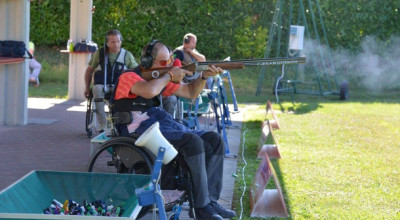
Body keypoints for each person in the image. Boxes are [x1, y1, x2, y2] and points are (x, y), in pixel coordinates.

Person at [112, 40, 236, 220]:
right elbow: (149, 91)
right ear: (146, 62)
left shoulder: (159, 77)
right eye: (163, 63)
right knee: (192, 142)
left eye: (170, 61)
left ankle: (210, 203)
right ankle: (201, 208)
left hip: (160, 125)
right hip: (139, 133)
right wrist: (170, 75)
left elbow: (191, 93)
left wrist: (203, 77)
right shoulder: (129, 77)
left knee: (214, 139)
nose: (169, 65)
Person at [84, 29, 138, 132]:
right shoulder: (99, 53)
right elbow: (89, 70)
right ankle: (103, 125)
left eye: (118, 41)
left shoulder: (127, 55)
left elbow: (136, 72)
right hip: (102, 85)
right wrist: (87, 88)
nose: (116, 44)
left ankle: (120, 122)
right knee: (96, 89)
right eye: (113, 42)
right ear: (107, 43)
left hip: (120, 86)